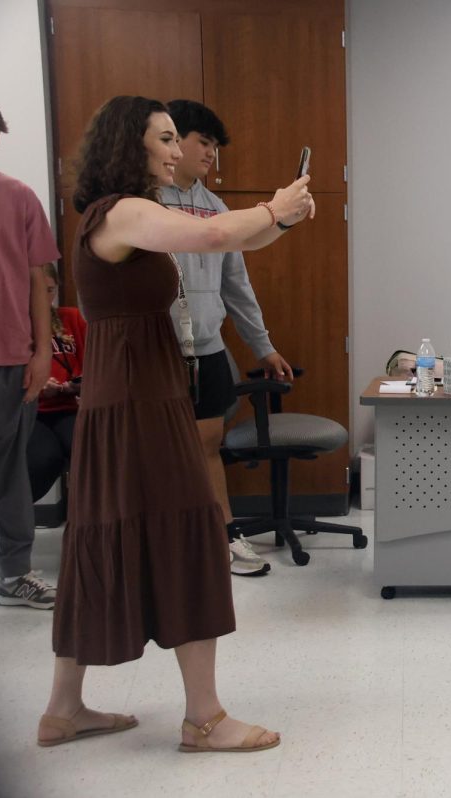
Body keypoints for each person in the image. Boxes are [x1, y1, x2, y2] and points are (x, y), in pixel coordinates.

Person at [40, 95, 313, 751]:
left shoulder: (128, 216)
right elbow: (218, 234)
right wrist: (273, 207)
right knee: (190, 531)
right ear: (128, 145)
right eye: (164, 137)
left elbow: (236, 237)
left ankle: (63, 709)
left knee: (104, 540)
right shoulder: (122, 212)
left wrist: (284, 218)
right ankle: (204, 718)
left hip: (129, 396)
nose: (175, 148)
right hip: (139, 402)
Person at [159, 99, 292, 577]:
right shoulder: (145, 202)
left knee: (208, 442)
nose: (210, 153)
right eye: (203, 142)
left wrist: (264, 346)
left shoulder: (214, 206)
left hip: (208, 347)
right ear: (174, 141)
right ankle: (173, 539)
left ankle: (224, 535)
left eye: (215, 146)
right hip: (159, 352)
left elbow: (237, 285)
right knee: (161, 449)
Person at [0, 93, 58, 606]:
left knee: (9, 470)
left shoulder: (20, 196)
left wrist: (42, 351)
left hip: (8, 355)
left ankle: (14, 576)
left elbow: (38, 280)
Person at [26, 263, 86, 503]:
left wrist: (77, 385)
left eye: (49, 290)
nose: (44, 298)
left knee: (92, 454)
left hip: (68, 408)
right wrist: (37, 387)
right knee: (44, 459)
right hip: (31, 412)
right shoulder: (14, 328)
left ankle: (90, 520)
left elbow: (93, 364)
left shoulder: (71, 318)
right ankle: (9, 514)